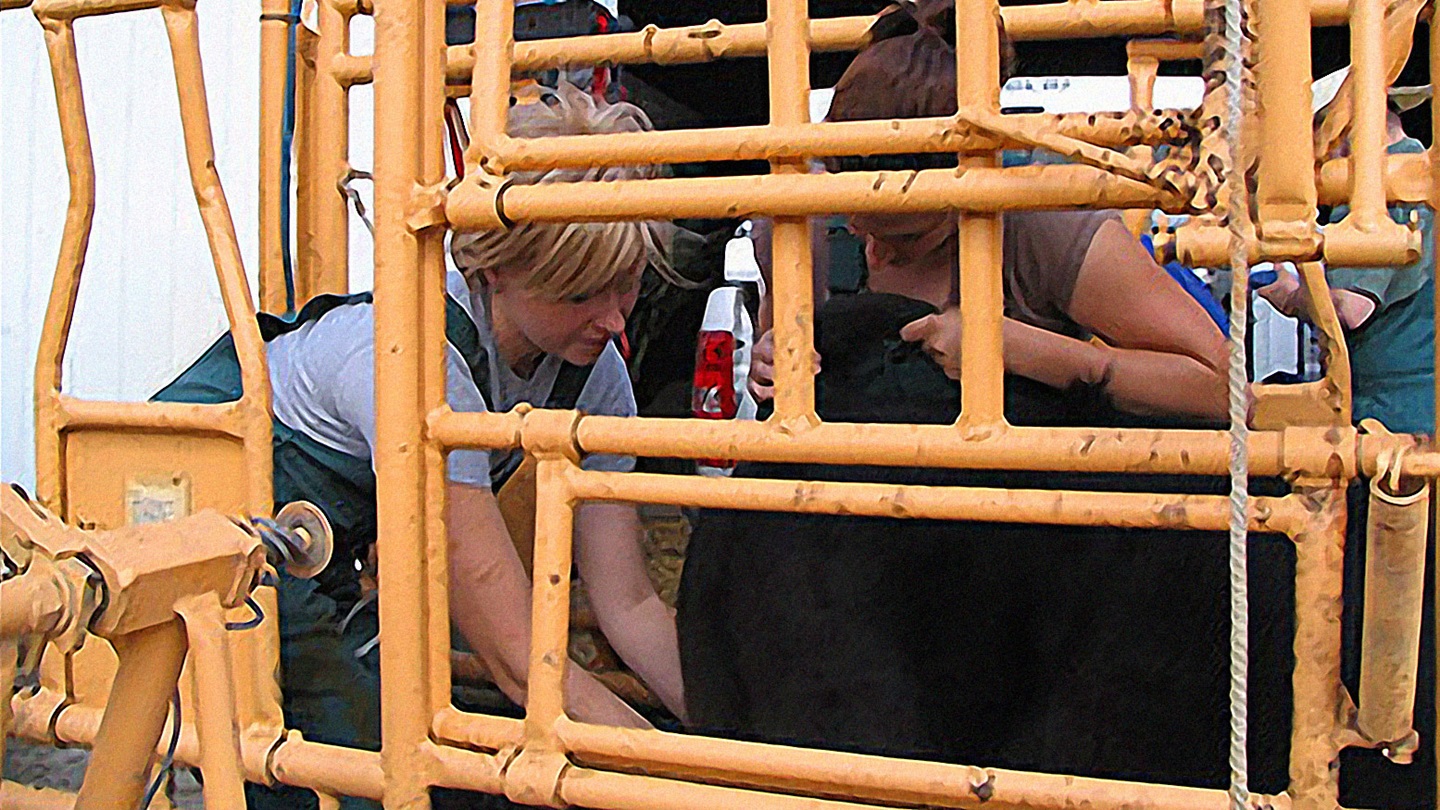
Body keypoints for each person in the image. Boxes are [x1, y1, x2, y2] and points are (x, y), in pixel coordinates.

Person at [681, 0, 1295, 791]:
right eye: (859, 217)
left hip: (1029, 615)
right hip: (867, 599)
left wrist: (1027, 348)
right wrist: (774, 365)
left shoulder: (1042, 221)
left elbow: (1223, 389)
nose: (871, 245)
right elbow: (785, 403)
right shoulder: (797, 228)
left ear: (973, 172)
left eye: (907, 231)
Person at [155, 83, 685, 809]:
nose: (613, 320)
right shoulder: (419, 358)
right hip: (203, 508)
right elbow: (513, 656)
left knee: (400, 738)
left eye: (626, 289)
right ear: (494, 265)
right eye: (581, 292)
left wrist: (728, 739)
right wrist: (678, 783)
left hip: (315, 544)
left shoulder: (595, 370)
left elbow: (627, 602)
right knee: (344, 765)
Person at [1255, 68, 1435, 810]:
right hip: (1405, 423)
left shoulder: (1387, 184)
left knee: (1370, 610)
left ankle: (1377, 746)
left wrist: (1281, 285)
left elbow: (1352, 308)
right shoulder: (1413, 172)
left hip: (1390, 436)